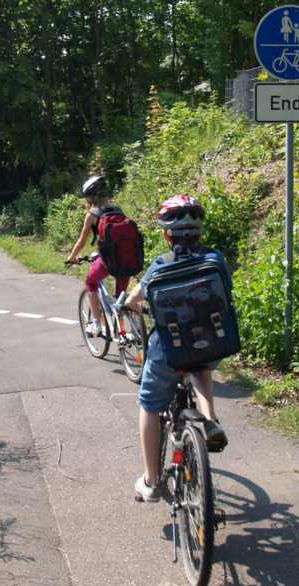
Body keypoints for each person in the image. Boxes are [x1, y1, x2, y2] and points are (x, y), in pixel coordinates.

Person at [124, 194, 230, 502]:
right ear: (200, 232)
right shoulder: (215, 258)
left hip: (168, 349)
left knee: (150, 406)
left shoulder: (160, 267)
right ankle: (209, 420)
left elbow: (133, 300)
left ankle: (151, 481)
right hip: (211, 341)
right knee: (201, 363)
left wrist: (133, 307)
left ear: (165, 234)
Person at [66, 175, 131, 335]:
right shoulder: (118, 210)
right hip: (127, 258)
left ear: (90, 196)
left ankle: (96, 324)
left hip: (108, 260)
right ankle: (133, 330)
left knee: (90, 283)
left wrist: (72, 257)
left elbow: (82, 242)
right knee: (121, 298)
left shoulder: (92, 215)